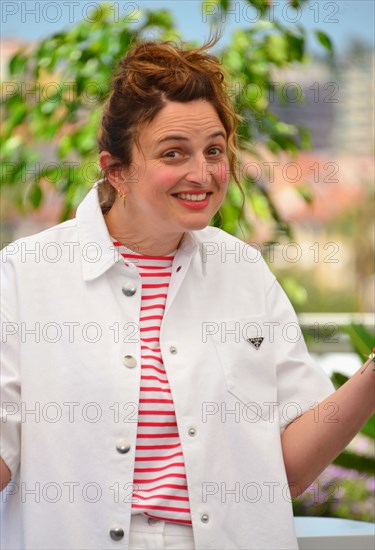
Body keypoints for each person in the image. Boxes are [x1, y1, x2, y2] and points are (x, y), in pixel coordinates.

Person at [0, 37, 374, 550]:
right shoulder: (25, 276)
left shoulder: (245, 274)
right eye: (174, 153)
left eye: (214, 151)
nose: (202, 175)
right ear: (118, 171)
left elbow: (286, 472)